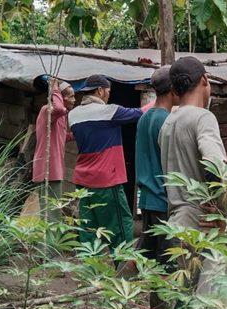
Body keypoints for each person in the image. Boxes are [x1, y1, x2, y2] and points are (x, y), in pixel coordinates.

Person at [68, 74, 143, 252]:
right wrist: (161, 102)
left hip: (83, 181)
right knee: (120, 226)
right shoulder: (108, 111)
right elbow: (140, 113)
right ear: (100, 90)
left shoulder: (73, 115)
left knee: (88, 229)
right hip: (106, 180)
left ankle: (88, 272)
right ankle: (123, 269)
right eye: (108, 91)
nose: (109, 94)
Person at [159, 57, 227, 229]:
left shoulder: (167, 123)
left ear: (174, 90)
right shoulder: (203, 117)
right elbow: (214, 166)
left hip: (175, 222)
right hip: (200, 221)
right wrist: (219, 209)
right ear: (205, 79)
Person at [135, 66, 177, 269]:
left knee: (146, 254)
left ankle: (116, 288)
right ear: (173, 90)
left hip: (147, 199)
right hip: (163, 200)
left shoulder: (144, 118)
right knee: (168, 262)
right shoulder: (167, 121)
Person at [32, 79, 75, 221]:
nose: (74, 100)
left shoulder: (59, 117)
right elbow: (59, 108)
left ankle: (48, 242)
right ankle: (49, 243)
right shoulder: (48, 110)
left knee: (51, 213)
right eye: (71, 96)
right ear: (61, 98)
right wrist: (55, 88)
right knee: (51, 214)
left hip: (53, 170)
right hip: (47, 169)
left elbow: (61, 137)